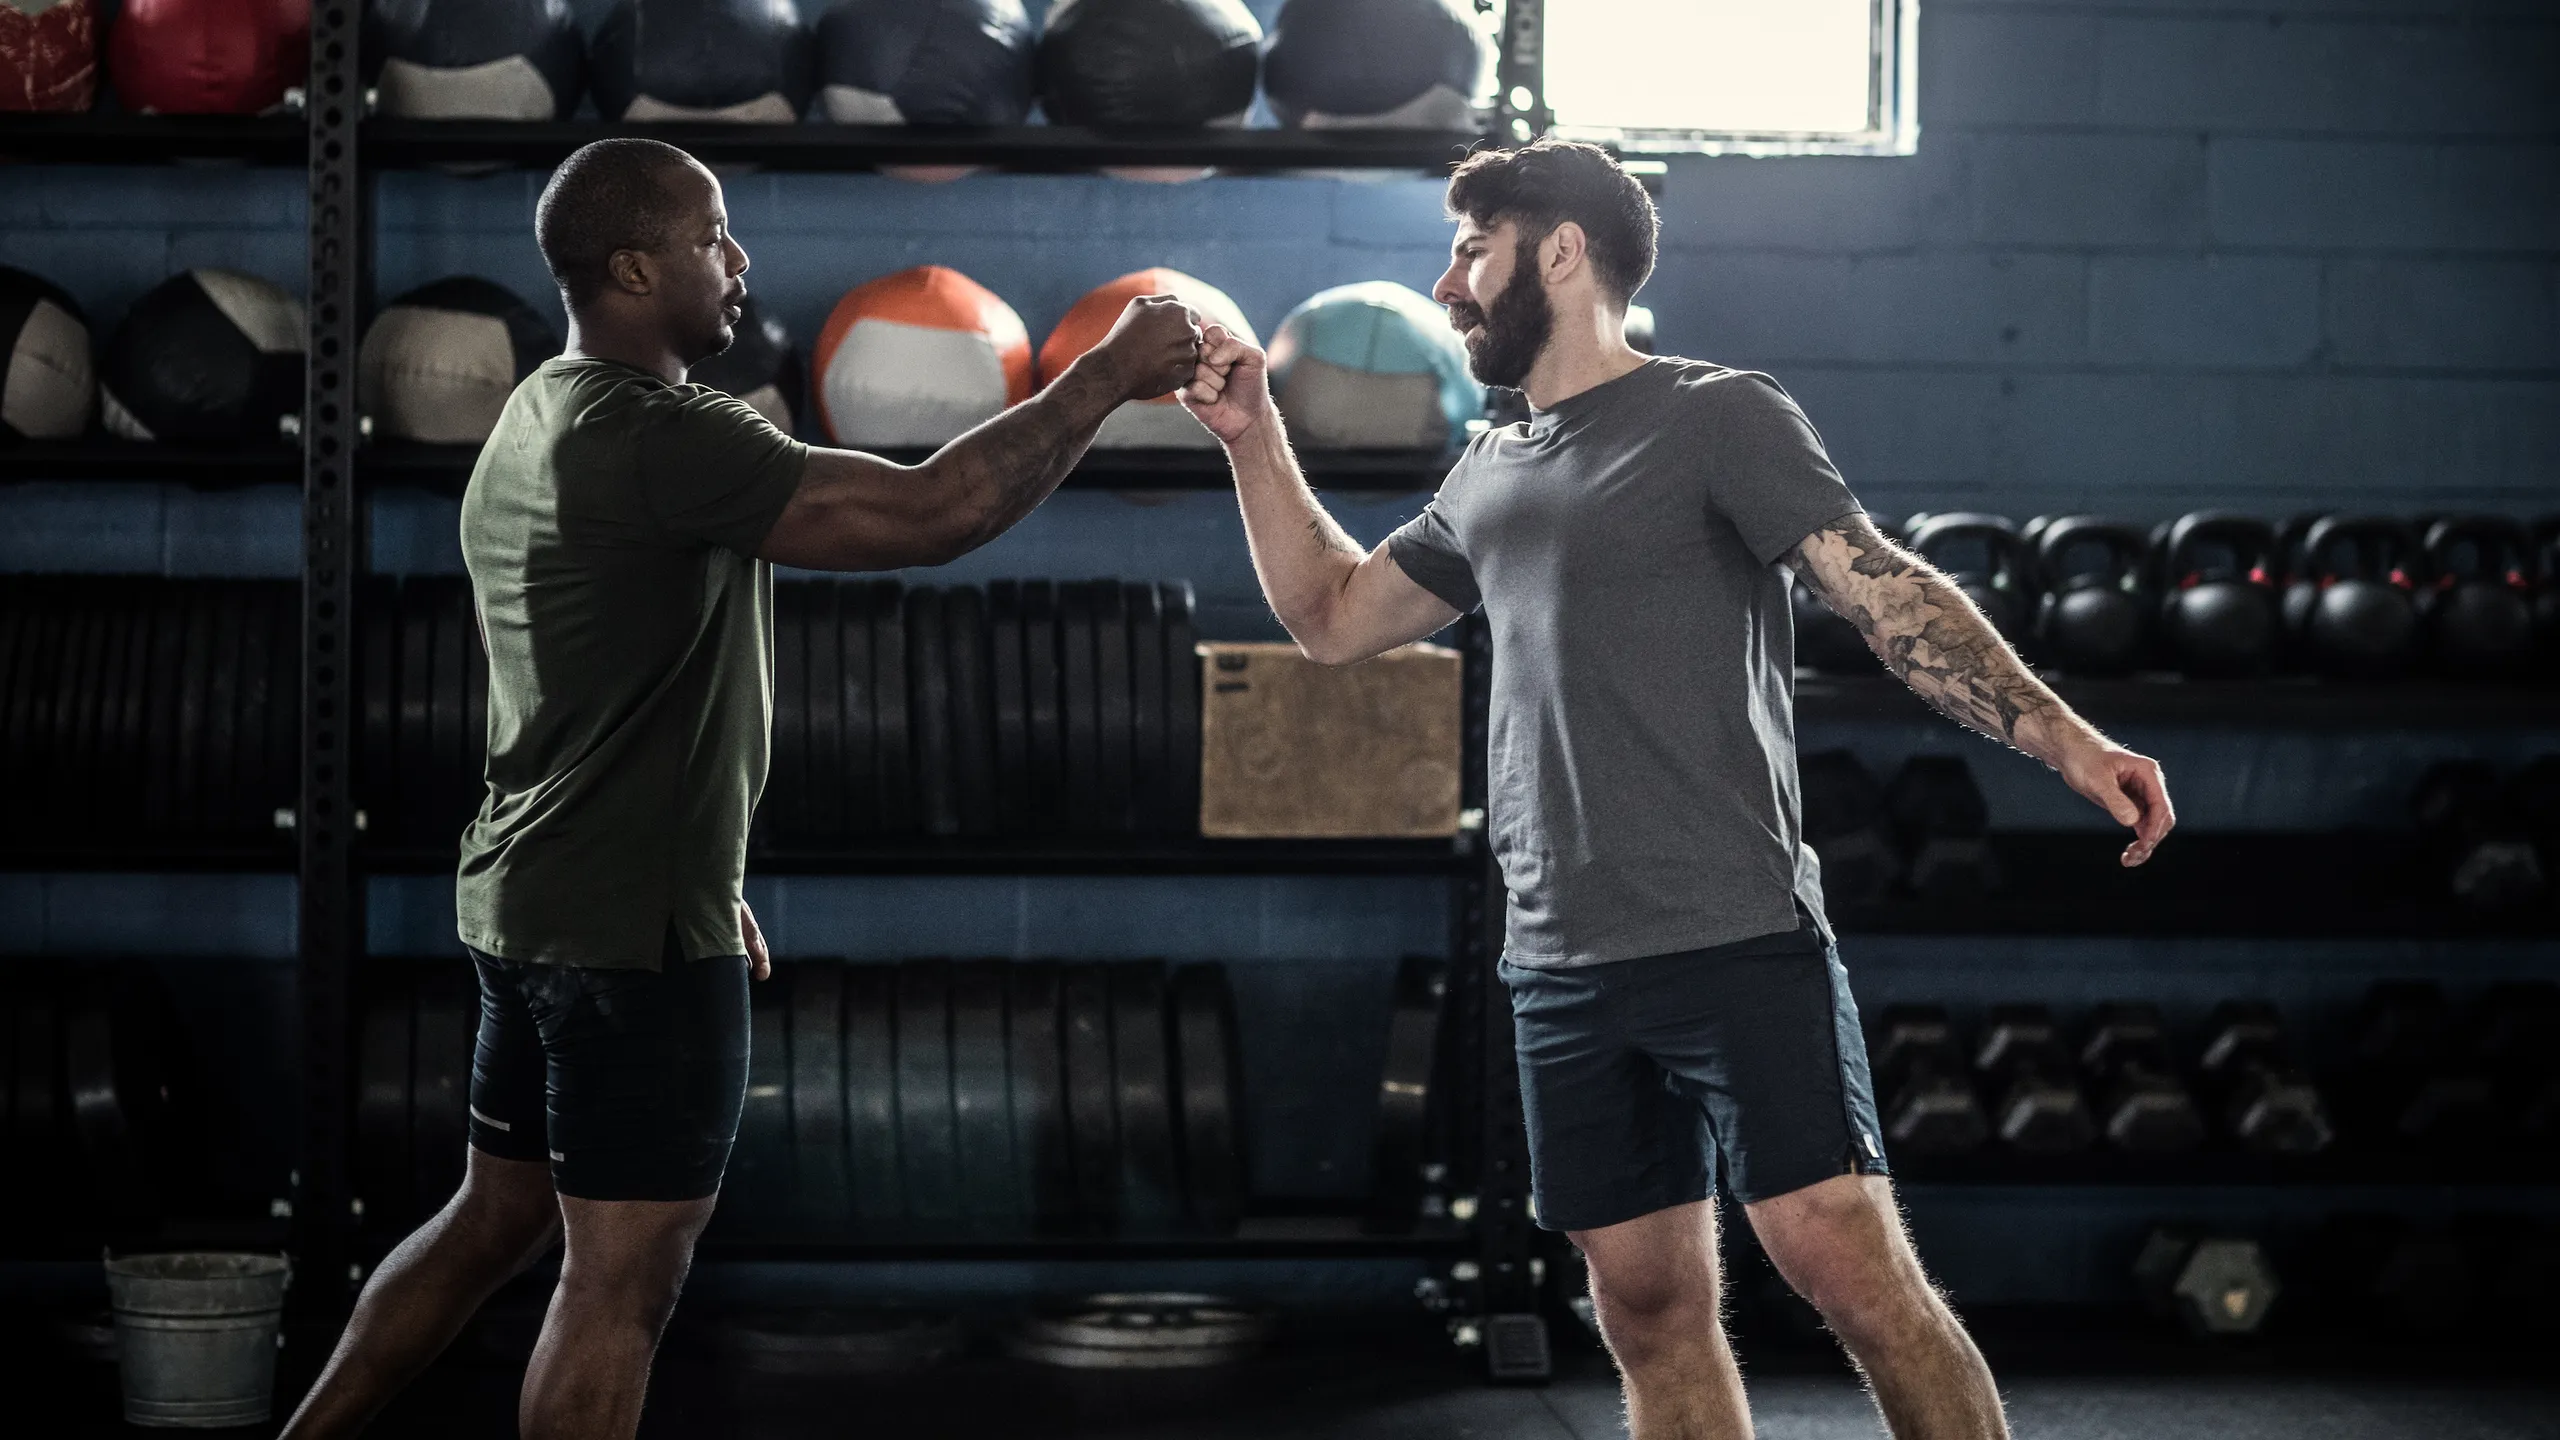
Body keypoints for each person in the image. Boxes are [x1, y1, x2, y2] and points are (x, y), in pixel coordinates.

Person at [1178, 138, 2175, 1440]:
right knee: (1643, 1307)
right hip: (1559, 961)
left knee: (1851, 1272)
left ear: (1562, 251)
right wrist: (1252, 436)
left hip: (1733, 931)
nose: (1447, 284)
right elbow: (1332, 615)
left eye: (1471, 250)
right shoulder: (1490, 469)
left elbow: (1882, 593)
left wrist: (2062, 737)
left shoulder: (1717, 415)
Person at [278, 138, 1202, 1440]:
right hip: (629, 934)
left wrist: (694, 861)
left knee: (493, 1220)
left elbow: (577, 673)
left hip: (532, 896)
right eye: (715, 237)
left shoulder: (539, 411)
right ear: (638, 265)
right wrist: (1103, 376)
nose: (740, 262)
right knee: (622, 1284)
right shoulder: (661, 434)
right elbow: (929, 514)